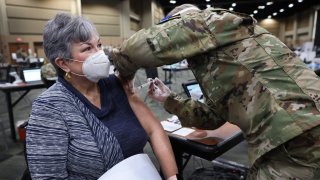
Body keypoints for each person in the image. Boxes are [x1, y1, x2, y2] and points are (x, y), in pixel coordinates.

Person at [109, 4, 320, 180]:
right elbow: (214, 117)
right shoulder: (217, 54)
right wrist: (168, 99)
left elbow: (142, 46)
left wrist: (119, 67)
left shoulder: (207, 21)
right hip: (294, 132)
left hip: (298, 131)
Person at [26, 13, 178, 180]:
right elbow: (48, 177)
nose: (100, 54)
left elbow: (154, 130)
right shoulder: (49, 108)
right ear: (63, 63)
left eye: (98, 45)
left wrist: (171, 177)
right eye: (87, 48)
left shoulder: (117, 84)